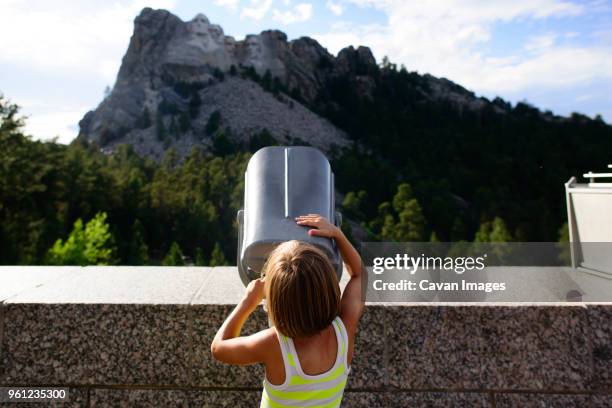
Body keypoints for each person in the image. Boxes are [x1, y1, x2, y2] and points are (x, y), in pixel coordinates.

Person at [211, 214, 365, 408]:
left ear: (276, 302)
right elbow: (360, 274)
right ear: (329, 290)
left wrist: (248, 302)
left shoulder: (273, 344)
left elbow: (219, 348)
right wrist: (337, 234)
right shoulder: (344, 331)